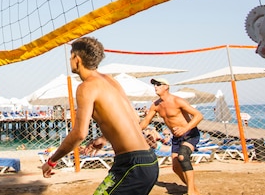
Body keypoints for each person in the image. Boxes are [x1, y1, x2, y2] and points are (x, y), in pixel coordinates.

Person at [41, 36, 158, 194]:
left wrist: (52, 161)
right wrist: (104, 138)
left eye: (71, 56)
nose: (70, 61)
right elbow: (135, 119)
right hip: (149, 161)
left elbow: (79, 133)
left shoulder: (86, 87)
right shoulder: (110, 80)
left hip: (132, 165)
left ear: (77, 58)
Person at [140, 77, 204, 195]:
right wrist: (134, 131)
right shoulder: (156, 105)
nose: (155, 87)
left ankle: (191, 192)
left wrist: (185, 128)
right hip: (176, 138)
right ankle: (193, 189)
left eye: (158, 84)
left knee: (183, 157)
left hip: (190, 134)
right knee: (175, 167)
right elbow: (146, 121)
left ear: (166, 87)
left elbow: (198, 115)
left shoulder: (177, 101)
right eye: (154, 85)